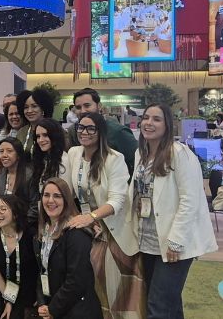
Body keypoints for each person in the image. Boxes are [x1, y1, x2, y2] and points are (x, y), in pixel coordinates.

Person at [132, 103, 217, 319]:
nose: (149, 123)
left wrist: (176, 241)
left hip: (173, 243)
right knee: (167, 303)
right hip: (147, 240)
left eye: (156, 119)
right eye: (146, 117)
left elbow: (191, 200)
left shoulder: (180, 154)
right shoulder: (140, 154)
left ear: (168, 125)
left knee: (158, 306)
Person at [65, 112, 143, 318]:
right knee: (92, 287)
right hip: (89, 227)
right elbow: (70, 193)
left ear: (101, 132)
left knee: (117, 291)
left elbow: (117, 200)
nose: (84, 132)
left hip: (113, 229)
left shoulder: (114, 158)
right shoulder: (73, 153)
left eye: (91, 128)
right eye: (81, 127)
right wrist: (83, 218)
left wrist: (92, 217)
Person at [36, 178, 101, 319]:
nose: (50, 200)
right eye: (46, 195)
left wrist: (53, 309)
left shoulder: (76, 233)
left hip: (77, 310)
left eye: (57, 196)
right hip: (55, 307)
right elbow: (41, 270)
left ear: (66, 200)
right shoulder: (44, 231)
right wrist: (42, 303)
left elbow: (76, 281)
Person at [68, 88, 138, 175]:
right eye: (78, 107)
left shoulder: (118, 131)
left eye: (87, 106)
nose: (82, 111)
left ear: (99, 106)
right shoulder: (73, 131)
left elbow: (139, 160)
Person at [0, 138, 37, 230]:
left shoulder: (29, 176)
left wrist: (20, 225)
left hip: (25, 227)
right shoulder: (1, 174)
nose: (4, 155)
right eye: (1, 151)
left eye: (9, 151)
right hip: (3, 225)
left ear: (18, 155)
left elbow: (35, 207)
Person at [32, 118, 70, 193]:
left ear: (55, 136)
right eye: (38, 136)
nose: (41, 140)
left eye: (45, 135)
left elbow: (67, 194)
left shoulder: (64, 160)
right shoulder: (43, 160)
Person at [15, 88, 54, 157]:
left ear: (43, 108)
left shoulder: (54, 130)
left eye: (34, 106)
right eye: (26, 107)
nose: (29, 111)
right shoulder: (21, 132)